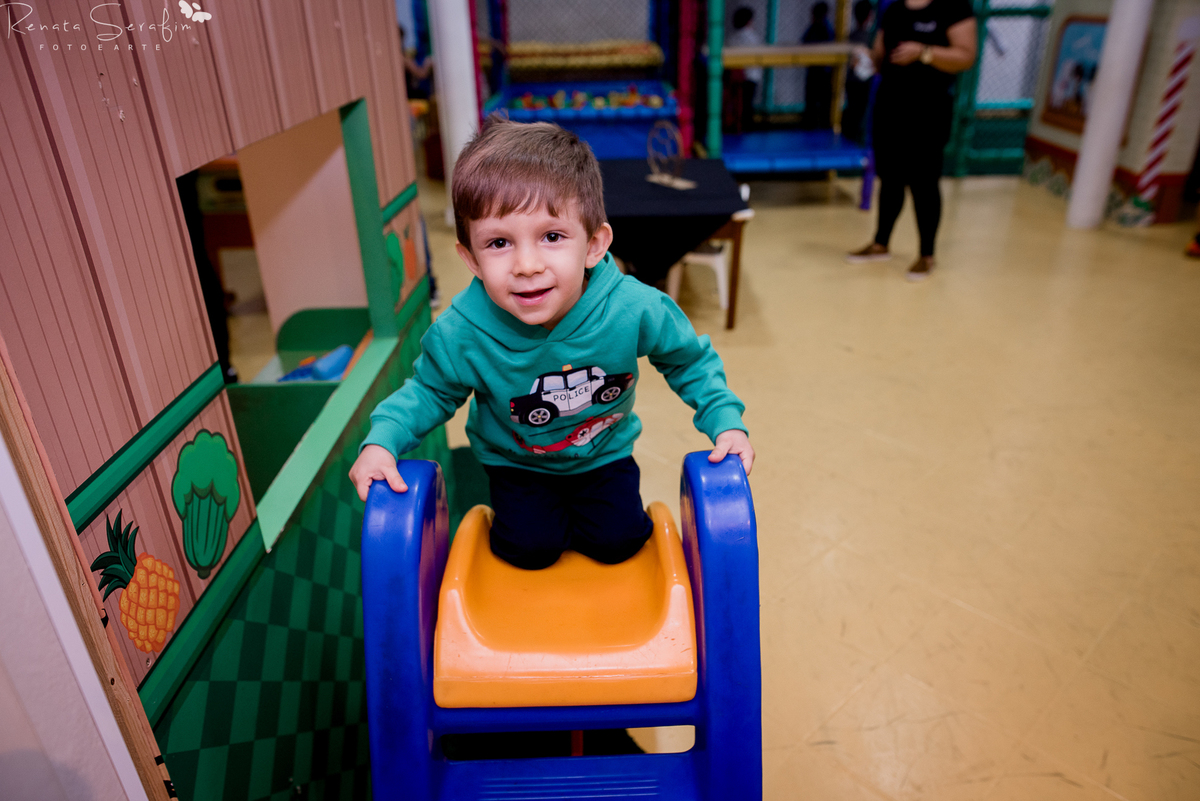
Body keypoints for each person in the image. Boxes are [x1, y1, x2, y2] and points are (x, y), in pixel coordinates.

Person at [349, 119, 754, 570]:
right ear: (472, 260)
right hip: (517, 464)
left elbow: (688, 360)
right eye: (499, 242)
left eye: (552, 237)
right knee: (529, 552)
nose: (527, 265)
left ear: (594, 245)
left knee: (617, 545)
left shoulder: (634, 307)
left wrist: (724, 420)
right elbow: (430, 391)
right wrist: (382, 441)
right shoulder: (461, 332)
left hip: (605, 453)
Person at [846, 0, 977, 281]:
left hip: (928, 108)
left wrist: (925, 53)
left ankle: (926, 255)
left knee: (924, 181)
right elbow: (882, 58)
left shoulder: (953, 7)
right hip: (891, 105)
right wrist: (866, 59)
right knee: (890, 177)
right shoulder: (893, 10)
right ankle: (880, 243)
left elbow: (966, 56)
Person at [842, 0, 876, 143]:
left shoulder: (851, 36)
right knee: (859, 112)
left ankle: (850, 136)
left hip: (853, 82)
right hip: (862, 83)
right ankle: (854, 138)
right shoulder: (869, 38)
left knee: (853, 110)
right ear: (869, 16)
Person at [728, 6, 763, 132]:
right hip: (750, 76)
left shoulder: (733, 37)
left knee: (738, 103)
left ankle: (737, 126)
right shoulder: (752, 36)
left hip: (737, 76)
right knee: (747, 104)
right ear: (749, 21)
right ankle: (746, 127)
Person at [801, 2, 835, 131]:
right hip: (817, 72)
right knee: (814, 103)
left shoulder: (824, 29)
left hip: (822, 73)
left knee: (821, 103)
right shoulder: (815, 28)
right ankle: (813, 127)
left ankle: (822, 128)